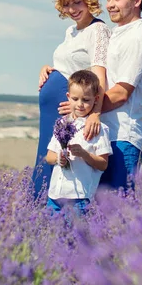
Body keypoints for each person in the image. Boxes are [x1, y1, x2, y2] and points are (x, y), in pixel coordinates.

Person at [32, 0, 110, 199]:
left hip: (71, 115)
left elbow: (99, 76)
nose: (72, 9)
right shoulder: (71, 31)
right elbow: (70, 67)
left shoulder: (98, 30)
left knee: (64, 170)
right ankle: (39, 220)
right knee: (46, 161)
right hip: (52, 113)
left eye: (78, 2)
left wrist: (95, 113)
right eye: (66, 4)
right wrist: (48, 69)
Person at [99, 0, 142, 191]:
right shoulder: (117, 34)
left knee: (117, 211)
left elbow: (121, 92)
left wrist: (85, 113)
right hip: (104, 134)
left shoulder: (138, 37)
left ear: (137, 1)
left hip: (123, 137)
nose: (110, 5)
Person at [46, 70, 112, 215]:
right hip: (55, 195)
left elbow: (103, 164)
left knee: (74, 235)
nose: (80, 104)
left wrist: (84, 154)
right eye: (75, 99)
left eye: (86, 100)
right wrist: (59, 158)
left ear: (96, 99)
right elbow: (49, 157)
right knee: (50, 233)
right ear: (68, 97)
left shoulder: (98, 129)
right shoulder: (61, 124)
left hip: (79, 197)